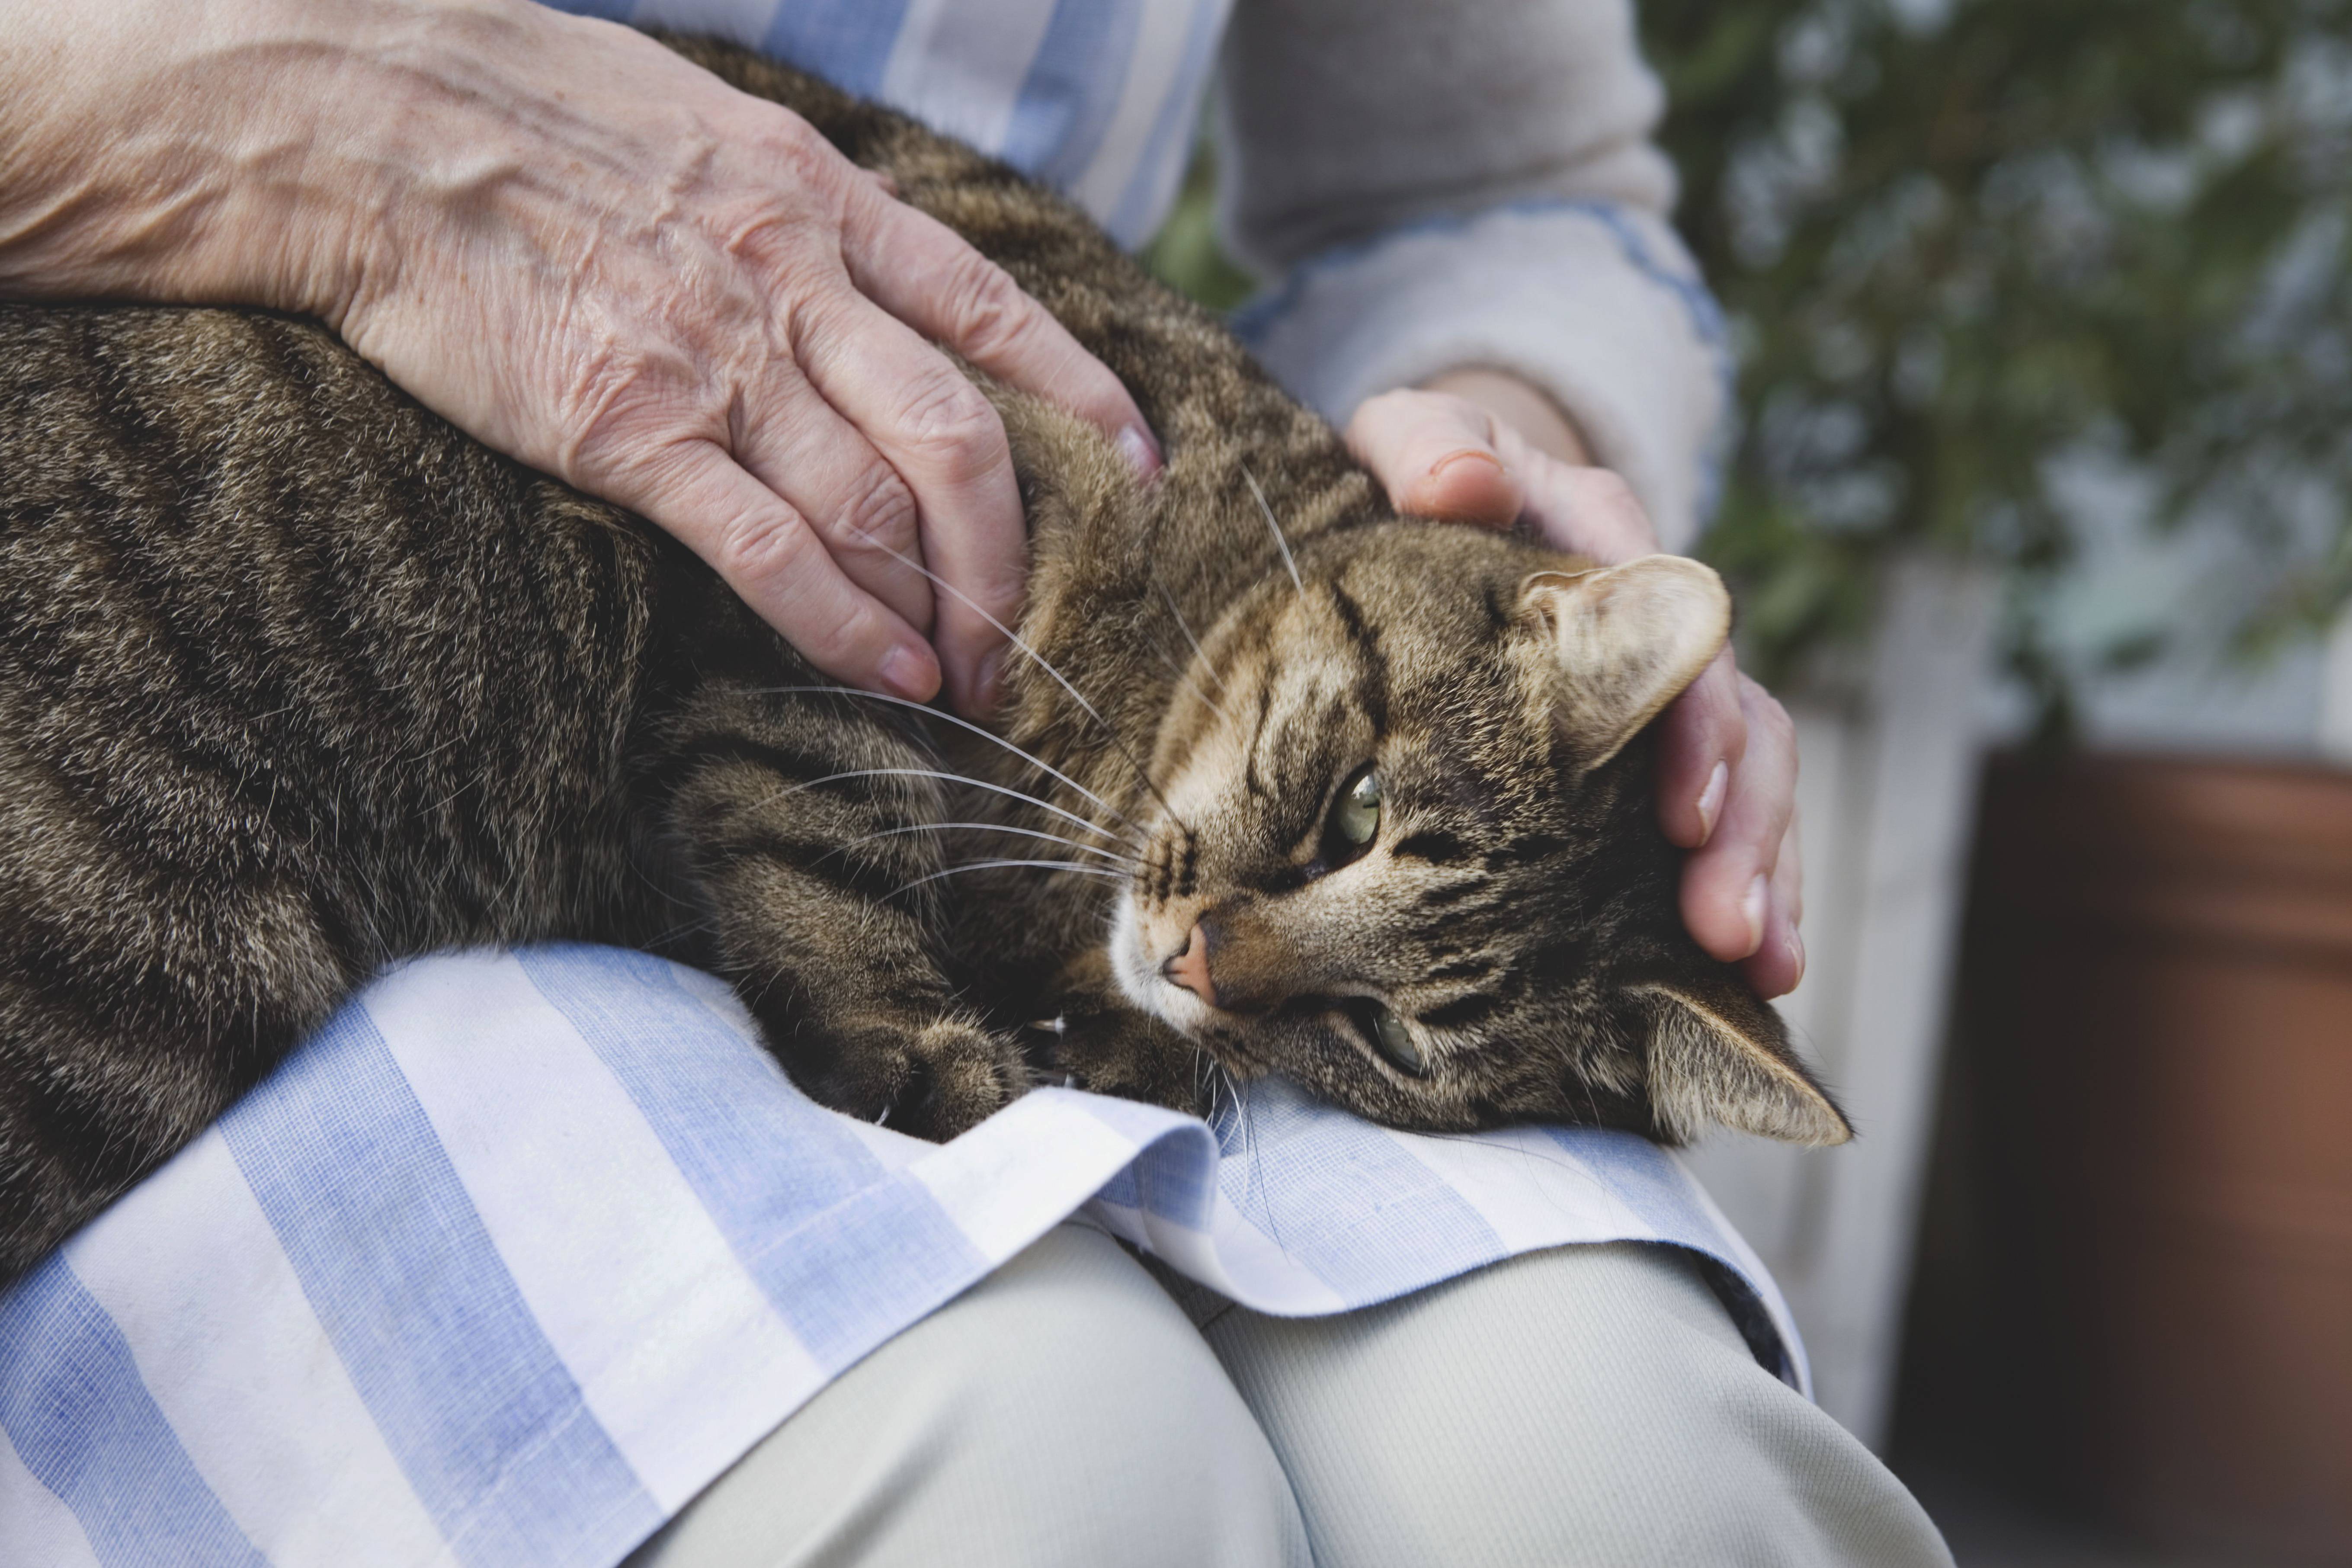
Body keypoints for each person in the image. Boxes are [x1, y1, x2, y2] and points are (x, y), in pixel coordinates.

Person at [0, 0, 1941, 1563]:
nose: (1236, 961)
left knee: (1640, 1498)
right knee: (1049, 1490)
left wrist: (1499, 481)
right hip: (205, 496)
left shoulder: (1228, 774)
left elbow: (1503, 185)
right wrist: (262, 103)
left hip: (1076, 733)